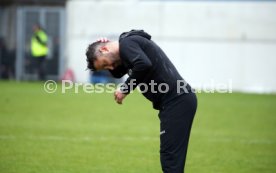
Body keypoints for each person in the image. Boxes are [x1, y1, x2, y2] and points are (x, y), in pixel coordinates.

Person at [85, 30, 197, 173]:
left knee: (171, 159)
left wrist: (125, 89)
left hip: (177, 101)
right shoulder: (127, 49)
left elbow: (143, 65)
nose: (110, 68)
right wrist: (105, 46)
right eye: (106, 68)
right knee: (171, 158)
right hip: (175, 102)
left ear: (105, 49)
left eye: (105, 63)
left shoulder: (127, 44)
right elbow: (119, 71)